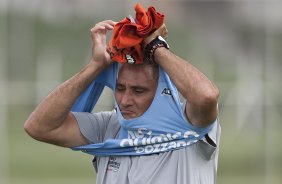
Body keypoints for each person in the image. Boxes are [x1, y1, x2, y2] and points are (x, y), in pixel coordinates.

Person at [24, 20, 220, 184]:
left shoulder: (190, 124)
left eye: (138, 91)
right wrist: (95, 66)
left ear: (161, 90)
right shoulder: (108, 126)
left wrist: (155, 47)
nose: (125, 100)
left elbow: (206, 95)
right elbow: (38, 127)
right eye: (120, 88)